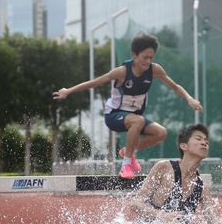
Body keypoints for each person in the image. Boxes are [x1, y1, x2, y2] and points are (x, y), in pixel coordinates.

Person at [53, 34, 203, 179]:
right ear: (135, 55)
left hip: (135, 119)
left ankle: (128, 151)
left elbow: (175, 86)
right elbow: (95, 82)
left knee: (161, 133)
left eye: (151, 57)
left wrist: (189, 99)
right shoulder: (122, 72)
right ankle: (125, 165)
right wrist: (69, 91)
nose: (148, 61)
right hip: (113, 116)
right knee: (138, 121)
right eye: (145, 57)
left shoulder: (155, 70)